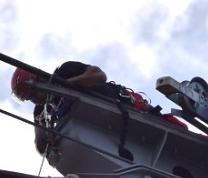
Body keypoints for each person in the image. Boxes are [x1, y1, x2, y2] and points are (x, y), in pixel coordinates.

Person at [11, 63, 157, 154]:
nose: (34, 101)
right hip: (98, 132)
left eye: (33, 95)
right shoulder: (41, 111)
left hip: (124, 109)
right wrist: (43, 142)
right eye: (30, 99)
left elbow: (100, 76)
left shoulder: (65, 72)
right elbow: (39, 141)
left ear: (39, 82)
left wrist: (66, 85)